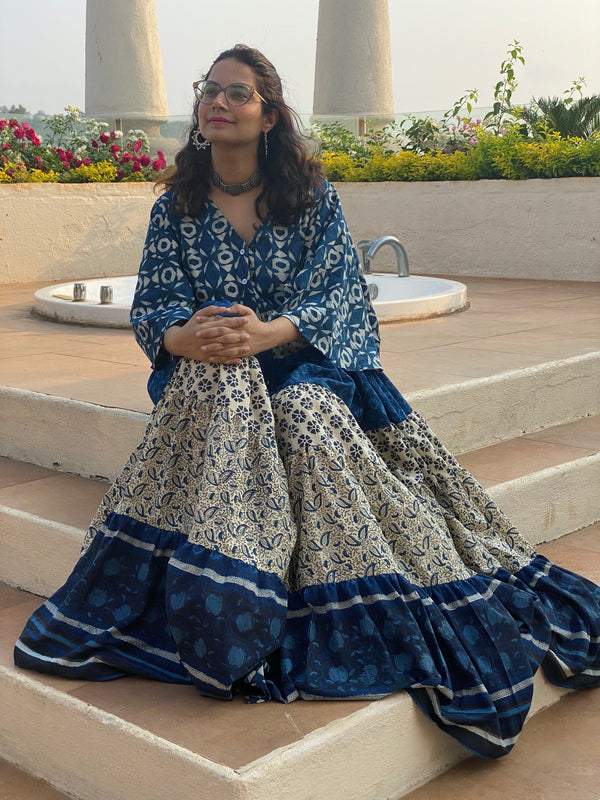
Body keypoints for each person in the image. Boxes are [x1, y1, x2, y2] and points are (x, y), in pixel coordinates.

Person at [15, 44, 599, 759]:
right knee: (226, 389)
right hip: (213, 366)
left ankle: (353, 605)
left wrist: (270, 333)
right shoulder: (177, 205)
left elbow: (340, 295)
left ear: (268, 114)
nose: (218, 103)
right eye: (210, 91)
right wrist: (184, 337)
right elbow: (157, 301)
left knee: (306, 415)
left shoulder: (312, 197)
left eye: (237, 93)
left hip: (310, 363)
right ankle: (228, 607)